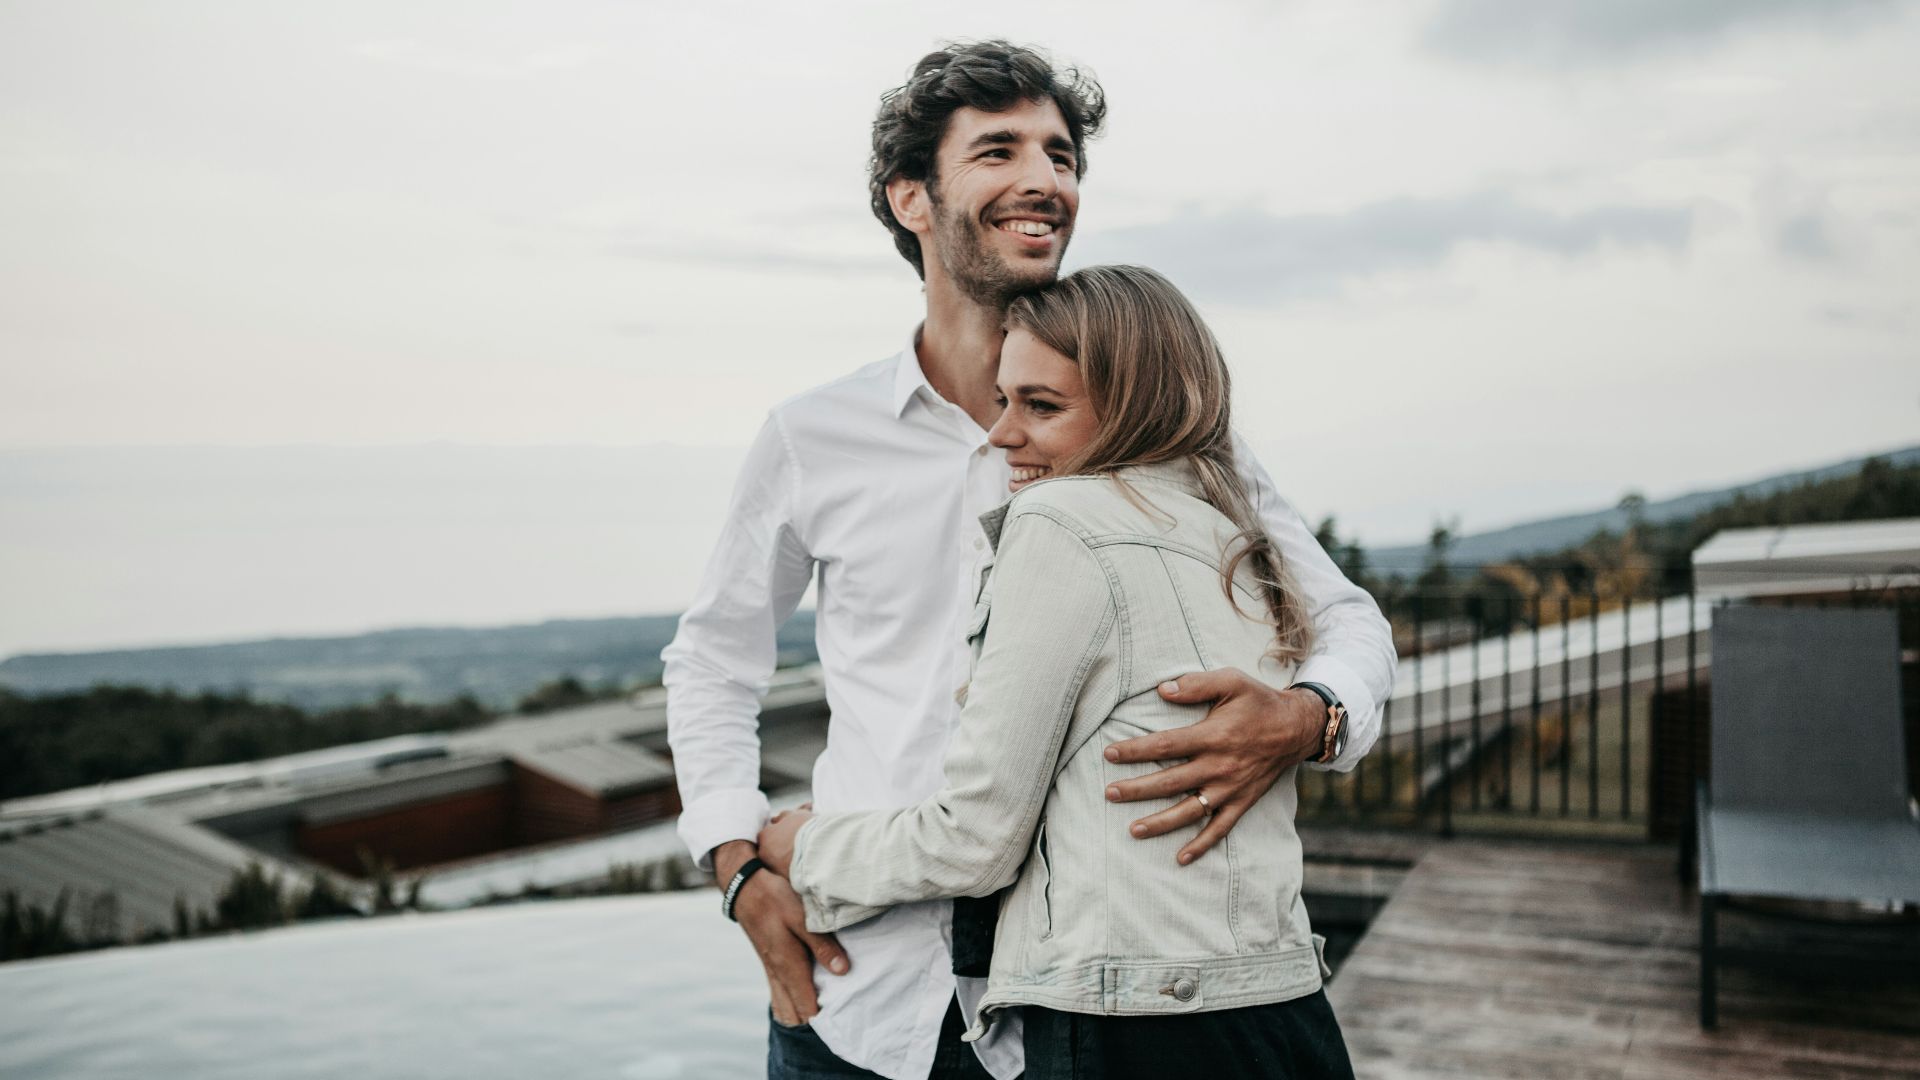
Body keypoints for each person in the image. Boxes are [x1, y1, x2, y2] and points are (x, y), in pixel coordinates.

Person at [662, 41, 1396, 1080]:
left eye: (1061, 155)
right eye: (999, 150)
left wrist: (1306, 717)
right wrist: (738, 867)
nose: (1045, 179)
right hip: (855, 992)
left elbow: (1347, 619)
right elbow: (713, 659)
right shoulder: (812, 435)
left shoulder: (1169, 437)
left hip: (1068, 1017)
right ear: (911, 197)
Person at [756, 264, 1360, 1079]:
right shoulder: (1233, 531)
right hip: (1282, 1005)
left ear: (1136, 403)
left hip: (1136, 1026)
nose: (1002, 434)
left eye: (1041, 406)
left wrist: (802, 848)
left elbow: (976, 840)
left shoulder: (1058, 521)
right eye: (1004, 401)